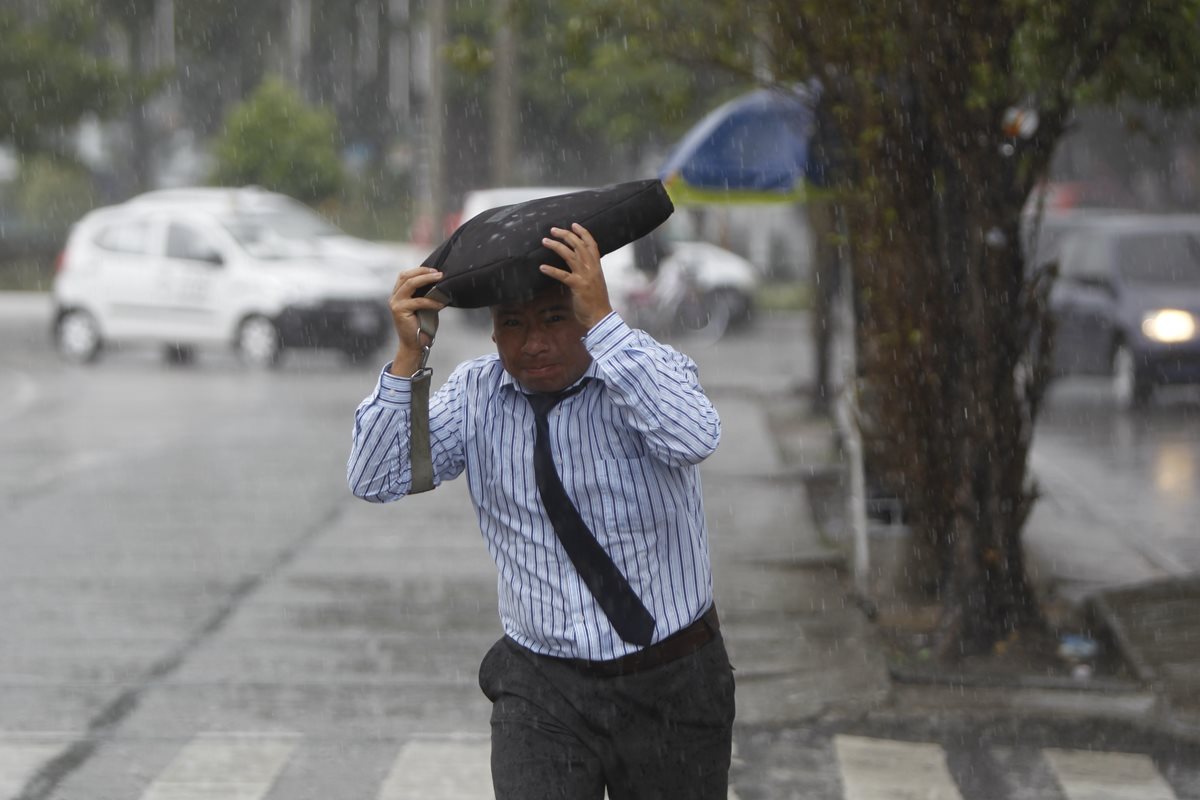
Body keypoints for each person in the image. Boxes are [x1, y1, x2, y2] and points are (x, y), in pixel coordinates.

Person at [347, 222, 734, 799]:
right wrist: (408, 356)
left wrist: (604, 322)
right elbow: (375, 477)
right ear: (493, 331)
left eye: (555, 318)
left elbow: (694, 438)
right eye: (513, 325)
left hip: (672, 677)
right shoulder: (475, 393)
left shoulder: (646, 367)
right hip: (540, 685)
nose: (533, 343)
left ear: (584, 310)